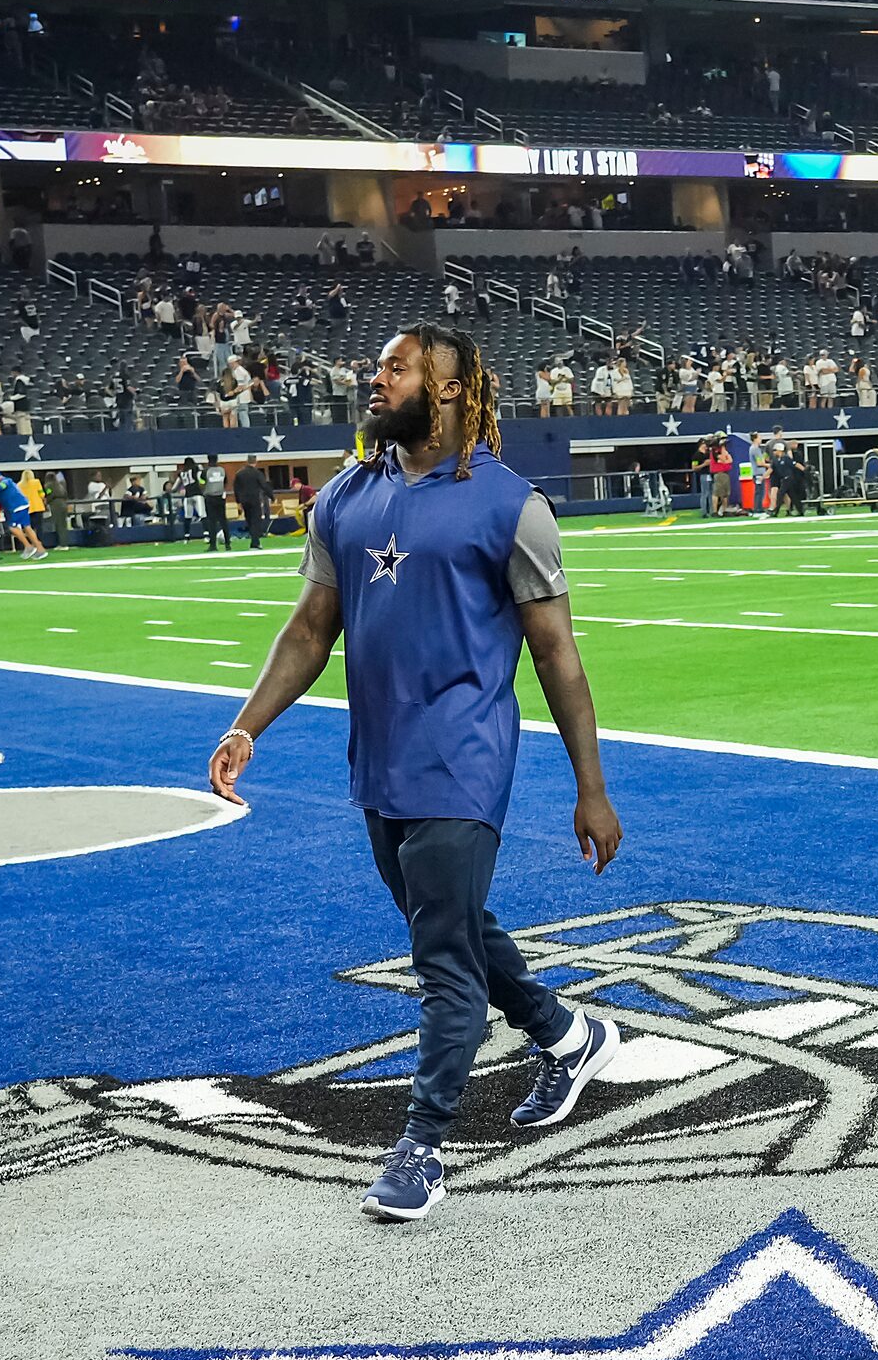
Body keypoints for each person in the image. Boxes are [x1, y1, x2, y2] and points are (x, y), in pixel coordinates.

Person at [207, 323, 625, 1225]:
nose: (376, 376)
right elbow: (311, 630)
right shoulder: (346, 497)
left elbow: (558, 658)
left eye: (396, 367)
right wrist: (248, 726)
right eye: (380, 364)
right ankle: (567, 1034)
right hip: (380, 757)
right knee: (457, 921)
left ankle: (423, 1145)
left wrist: (590, 787)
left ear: (446, 389)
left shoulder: (511, 505)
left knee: (441, 958)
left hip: (465, 756)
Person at [0, 468, 47, 559]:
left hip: (16, 507)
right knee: (27, 527)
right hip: (24, 505)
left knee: (12, 527)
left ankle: (28, 546)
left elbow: (0, 487)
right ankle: (41, 550)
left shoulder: (6, 481)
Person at [233, 459, 272, 548]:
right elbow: (264, 485)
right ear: (255, 462)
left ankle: (253, 541)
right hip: (254, 499)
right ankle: (255, 542)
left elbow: (236, 488)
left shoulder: (239, 473)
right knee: (256, 520)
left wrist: (238, 501)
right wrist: (271, 496)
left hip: (244, 500)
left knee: (249, 520)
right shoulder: (257, 473)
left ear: (247, 461)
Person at [199, 453, 233, 550]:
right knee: (223, 521)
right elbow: (225, 482)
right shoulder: (222, 470)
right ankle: (228, 544)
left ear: (208, 460)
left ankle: (213, 545)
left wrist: (204, 491)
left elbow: (201, 483)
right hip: (220, 497)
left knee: (212, 522)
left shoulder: (205, 471)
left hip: (210, 497)